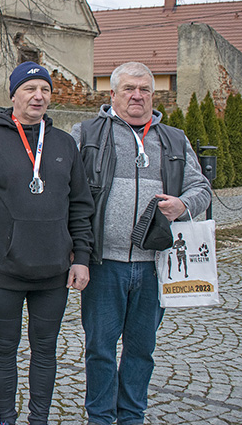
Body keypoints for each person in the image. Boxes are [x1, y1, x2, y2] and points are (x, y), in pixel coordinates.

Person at [71, 61, 211, 425]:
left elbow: (201, 188)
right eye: (129, 89)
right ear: (113, 94)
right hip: (103, 263)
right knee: (100, 349)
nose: (137, 96)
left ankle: (132, 415)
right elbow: (67, 190)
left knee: (141, 349)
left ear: (153, 94)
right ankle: (100, 417)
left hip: (155, 266)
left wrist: (183, 205)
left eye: (145, 89)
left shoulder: (174, 139)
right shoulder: (86, 134)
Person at [0, 62, 94, 425]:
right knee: (4, 349)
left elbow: (80, 205)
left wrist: (81, 257)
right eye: (30, 89)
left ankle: (39, 419)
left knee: (45, 351)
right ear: (13, 95)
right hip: (4, 271)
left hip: (54, 272)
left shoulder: (65, 144)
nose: (38, 96)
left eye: (45, 90)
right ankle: (7, 418)